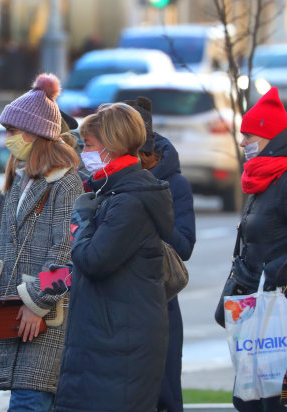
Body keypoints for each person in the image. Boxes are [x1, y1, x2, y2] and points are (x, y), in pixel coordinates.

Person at [0, 73, 83, 411]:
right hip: (12, 313)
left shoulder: (66, 183)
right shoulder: (22, 181)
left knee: (30, 400)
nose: (7, 139)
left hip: (45, 319)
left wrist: (37, 303)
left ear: (35, 133)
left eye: (11, 131)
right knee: (25, 397)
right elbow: (0, 240)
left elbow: (66, 257)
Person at [53, 102, 174, 411]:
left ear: (110, 146)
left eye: (89, 145)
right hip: (105, 338)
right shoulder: (112, 193)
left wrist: (81, 222)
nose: (83, 154)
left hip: (119, 344)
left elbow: (94, 260)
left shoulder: (128, 201)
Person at [129, 97, 196, 412]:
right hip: (117, 307)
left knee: (164, 396)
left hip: (160, 303)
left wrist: (153, 209)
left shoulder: (174, 183)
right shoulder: (100, 183)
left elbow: (184, 247)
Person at [232, 87, 287, 411]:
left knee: (272, 400)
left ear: (268, 136)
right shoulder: (260, 179)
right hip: (253, 306)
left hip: (278, 310)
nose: (242, 143)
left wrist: (275, 271)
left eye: (248, 135)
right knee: (249, 398)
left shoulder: (283, 181)